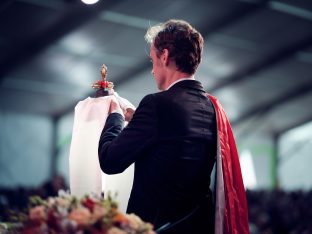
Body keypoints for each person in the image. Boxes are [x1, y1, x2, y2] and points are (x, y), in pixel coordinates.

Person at [98, 19, 249, 234]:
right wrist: (138, 118)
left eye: (152, 60)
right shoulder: (212, 108)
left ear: (165, 56)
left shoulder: (157, 104)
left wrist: (114, 115)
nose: (152, 70)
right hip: (197, 227)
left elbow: (110, 160)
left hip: (156, 227)